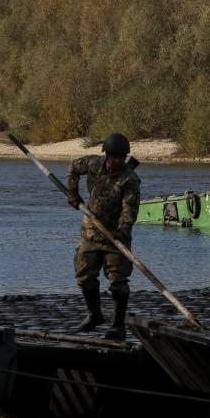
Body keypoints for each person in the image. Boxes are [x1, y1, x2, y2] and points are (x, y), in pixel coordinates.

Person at [66, 132, 141, 340]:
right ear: (106, 155)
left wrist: (123, 230)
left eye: (121, 157)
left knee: (118, 280)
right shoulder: (92, 164)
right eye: (114, 156)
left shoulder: (130, 179)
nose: (117, 160)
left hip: (116, 236)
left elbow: (130, 209)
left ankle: (118, 326)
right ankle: (94, 315)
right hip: (90, 231)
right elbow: (72, 167)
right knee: (83, 275)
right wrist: (73, 193)